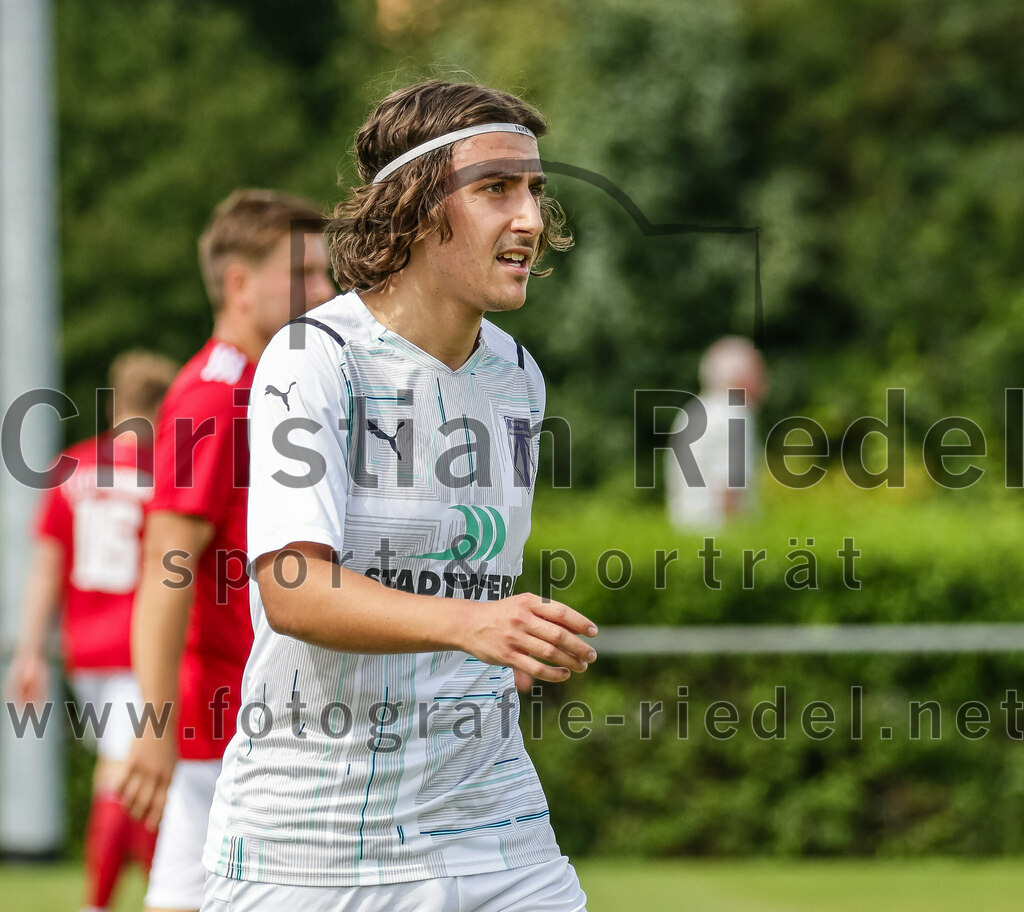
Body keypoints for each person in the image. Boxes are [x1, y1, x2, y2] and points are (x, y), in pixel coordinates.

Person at [201, 80, 597, 911]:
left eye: (534, 188)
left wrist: (506, 639)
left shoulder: (518, 377)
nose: (528, 217)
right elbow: (293, 589)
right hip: (314, 849)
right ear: (418, 207)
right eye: (496, 188)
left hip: (495, 826)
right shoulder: (316, 357)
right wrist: (475, 624)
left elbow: (469, 584)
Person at [118, 189, 334, 912]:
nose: (325, 292)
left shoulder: (262, 387)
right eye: (303, 276)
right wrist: (152, 727)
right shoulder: (220, 397)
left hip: (253, 718)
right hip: (236, 723)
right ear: (239, 285)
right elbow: (164, 567)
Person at [5, 350, 178, 912]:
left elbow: (48, 566)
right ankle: (108, 901)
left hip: (86, 653)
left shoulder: (70, 470)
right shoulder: (163, 477)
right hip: (142, 645)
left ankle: (162, 893)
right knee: (127, 779)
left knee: (131, 776)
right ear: (158, 410)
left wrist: (30, 651)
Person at [666, 335, 767, 530]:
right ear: (742, 377)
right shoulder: (735, 413)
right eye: (759, 373)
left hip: (685, 533)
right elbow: (730, 488)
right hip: (720, 539)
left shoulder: (692, 412)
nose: (764, 381)